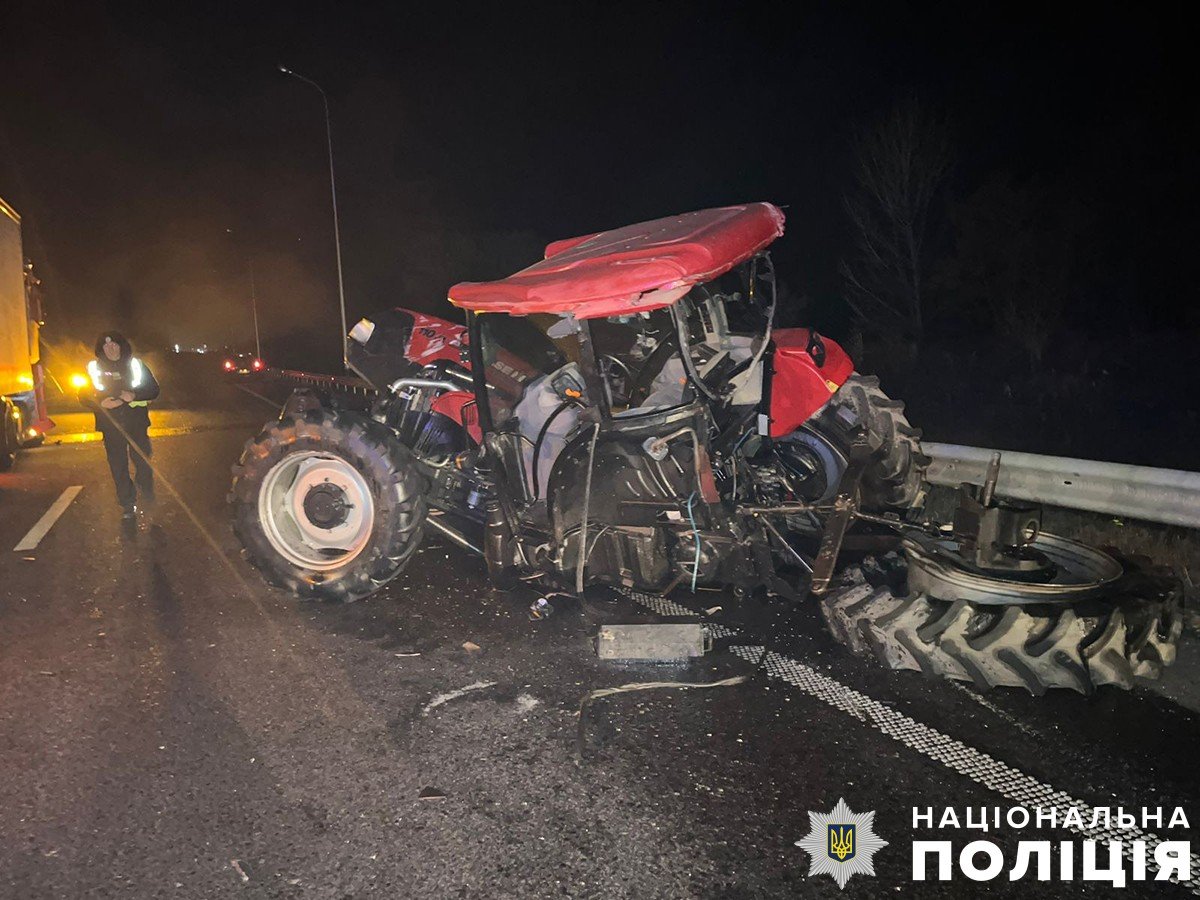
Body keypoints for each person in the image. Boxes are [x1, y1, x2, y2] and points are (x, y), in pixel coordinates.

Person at [79, 332, 160, 519]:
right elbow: (82, 395)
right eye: (106, 346)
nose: (111, 348)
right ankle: (127, 503)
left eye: (114, 344)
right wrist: (101, 403)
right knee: (118, 466)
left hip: (136, 423)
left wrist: (134, 395)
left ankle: (146, 489)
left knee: (143, 461)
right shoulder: (94, 368)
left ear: (122, 346)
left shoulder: (136, 365)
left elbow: (154, 390)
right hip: (110, 425)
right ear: (101, 349)